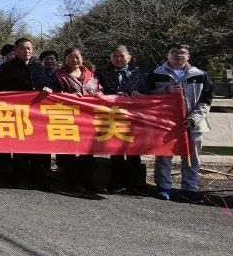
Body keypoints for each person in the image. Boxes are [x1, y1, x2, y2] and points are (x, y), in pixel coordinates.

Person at [145, 43, 213, 203]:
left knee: (192, 156)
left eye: (182, 52)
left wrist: (193, 118)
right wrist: (166, 91)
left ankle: (189, 189)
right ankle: (163, 187)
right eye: (174, 52)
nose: (178, 55)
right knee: (163, 155)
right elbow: (147, 94)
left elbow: (206, 101)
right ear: (167, 55)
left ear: (188, 56)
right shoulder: (156, 73)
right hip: (164, 123)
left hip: (192, 123)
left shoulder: (200, 75)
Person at [0, 38, 54, 188]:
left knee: (39, 145)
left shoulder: (38, 67)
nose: (26, 51)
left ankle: (39, 175)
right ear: (16, 50)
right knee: (20, 146)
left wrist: (47, 88)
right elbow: (2, 91)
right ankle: (20, 175)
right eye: (23, 48)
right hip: (17, 113)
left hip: (37, 114)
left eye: (29, 48)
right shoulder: (6, 68)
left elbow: (46, 83)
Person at [50, 47, 102, 194]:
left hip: (88, 119)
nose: (75, 60)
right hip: (68, 117)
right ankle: (74, 182)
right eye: (71, 57)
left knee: (88, 152)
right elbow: (53, 94)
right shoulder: (58, 75)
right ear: (65, 58)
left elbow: (99, 90)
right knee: (70, 151)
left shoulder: (90, 75)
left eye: (77, 57)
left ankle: (89, 182)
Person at [96, 45, 147, 193]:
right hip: (112, 115)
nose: (118, 59)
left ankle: (135, 184)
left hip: (133, 116)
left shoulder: (138, 73)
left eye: (122, 56)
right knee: (115, 150)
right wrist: (112, 95)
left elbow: (147, 90)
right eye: (115, 56)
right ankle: (116, 183)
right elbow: (97, 90)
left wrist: (138, 93)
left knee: (133, 150)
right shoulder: (101, 73)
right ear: (110, 58)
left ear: (129, 57)